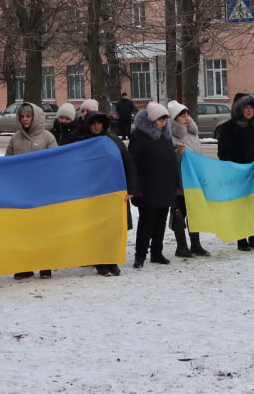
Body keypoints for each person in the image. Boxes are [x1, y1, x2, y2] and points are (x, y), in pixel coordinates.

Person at [6, 102, 59, 279]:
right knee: (23, 231)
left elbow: (54, 164)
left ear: (35, 117)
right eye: (22, 116)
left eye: (28, 116)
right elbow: (7, 163)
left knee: (43, 230)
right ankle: (25, 266)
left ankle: (45, 265)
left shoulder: (48, 137)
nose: (25, 119)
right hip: (21, 192)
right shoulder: (15, 139)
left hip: (42, 192)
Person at [78, 111, 135, 276]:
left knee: (113, 229)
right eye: (93, 123)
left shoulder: (114, 141)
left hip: (113, 192)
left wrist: (131, 189)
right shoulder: (83, 143)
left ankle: (112, 260)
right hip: (92, 194)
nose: (96, 126)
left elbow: (128, 164)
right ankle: (100, 262)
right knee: (97, 229)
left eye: (99, 122)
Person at [129, 102, 178, 269]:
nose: (163, 123)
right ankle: (140, 255)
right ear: (151, 120)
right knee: (146, 222)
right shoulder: (139, 137)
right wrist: (136, 188)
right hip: (147, 188)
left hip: (165, 187)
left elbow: (171, 161)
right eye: (160, 120)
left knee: (161, 222)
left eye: (165, 120)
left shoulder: (166, 137)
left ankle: (157, 252)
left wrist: (175, 183)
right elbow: (133, 163)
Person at [218, 92, 254, 250]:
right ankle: (241, 239)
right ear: (239, 109)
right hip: (238, 174)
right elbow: (223, 152)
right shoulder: (228, 128)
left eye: (251, 108)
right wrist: (236, 165)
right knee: (240, 208)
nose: (249, 111)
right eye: (245, 108)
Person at [167, 101, 209, 258]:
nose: (186, 118)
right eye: (181, 115)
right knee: (179, 212)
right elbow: (167, 157)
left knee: (194, 212)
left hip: (193, 182)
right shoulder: (170, 135)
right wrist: (177, 153)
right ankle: (181, 246)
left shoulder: (193, 133)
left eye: (187, 114)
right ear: (174, 118)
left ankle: (196, 244)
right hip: (178, 181)